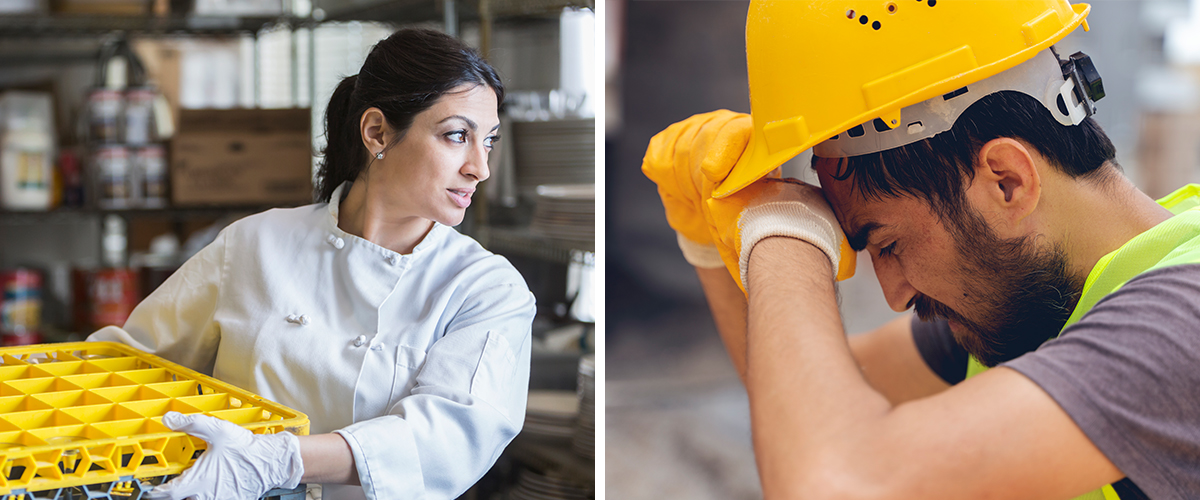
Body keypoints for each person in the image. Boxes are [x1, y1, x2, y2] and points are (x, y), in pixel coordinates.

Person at [644, 1, 1200, 499]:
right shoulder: (1036, 301)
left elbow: (835, 480)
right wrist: (709, 241)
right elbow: (804, 417)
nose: (893, 293)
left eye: (887, 244)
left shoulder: (1182, 321)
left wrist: (782, 226)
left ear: (1006, 181)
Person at [90, 28, 536, 500]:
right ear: (377, 132)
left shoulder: (486, 288)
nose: (479, 168)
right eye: (457, 136)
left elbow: (447, 438)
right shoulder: (254, 244)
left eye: (487, 141)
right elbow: (130, 368)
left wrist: (279, 459)